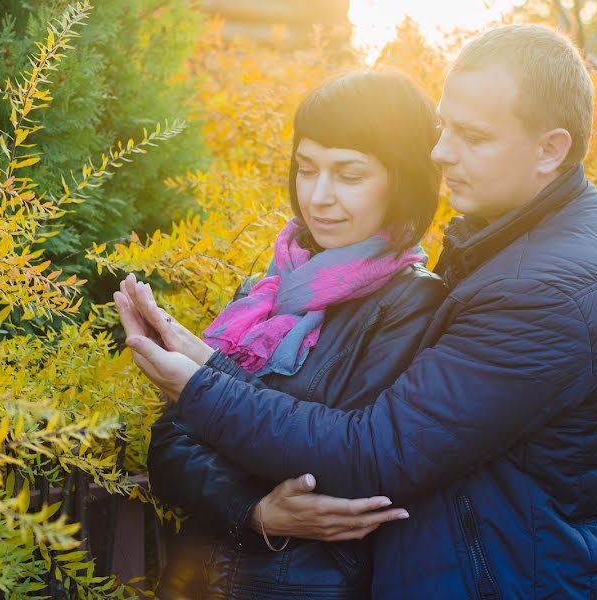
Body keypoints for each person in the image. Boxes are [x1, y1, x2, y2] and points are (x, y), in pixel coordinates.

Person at [116, 24, 597, 599]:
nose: (441, 153)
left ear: (550, 149)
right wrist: (251, 499)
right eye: (444, 129)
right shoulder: (504, 250)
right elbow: (179, 444)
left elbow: (369, 455)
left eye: (472, 136)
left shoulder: (540, 292)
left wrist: (200, 382)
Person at [115, 70, 446, 598]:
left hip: (309, 585)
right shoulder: (264, 290)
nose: (318, 196)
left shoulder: (411, 303)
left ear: (402, 179)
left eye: (350, 174)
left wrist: (203, 379)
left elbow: (342, 461)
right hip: (198, 579)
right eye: (306, 168)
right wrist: (256, 510)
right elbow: (169, 448)